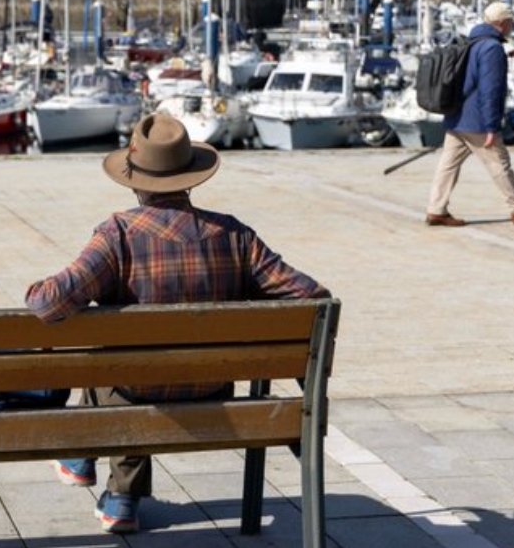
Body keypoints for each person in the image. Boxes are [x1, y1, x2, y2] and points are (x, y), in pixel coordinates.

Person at [23, 113, 330, 534]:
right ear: (190, 177)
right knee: (131, 363)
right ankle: (110, 487)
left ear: (134, 180)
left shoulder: (118, 234)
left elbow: (47, 304)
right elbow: (312, 298)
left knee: (116, 363)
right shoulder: (235, 235)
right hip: (212, 389)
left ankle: (99, 474)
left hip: (134, 391)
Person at [425, 1, 514, 228]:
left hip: (457, 115)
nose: (513, 26)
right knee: (498, 162)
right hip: (477, 120)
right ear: (501, 23)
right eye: (511, 22)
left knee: (448, 164)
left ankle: (436, 209)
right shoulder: (492, 48)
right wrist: (491, 126)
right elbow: (490, 90)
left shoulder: (471, 42)